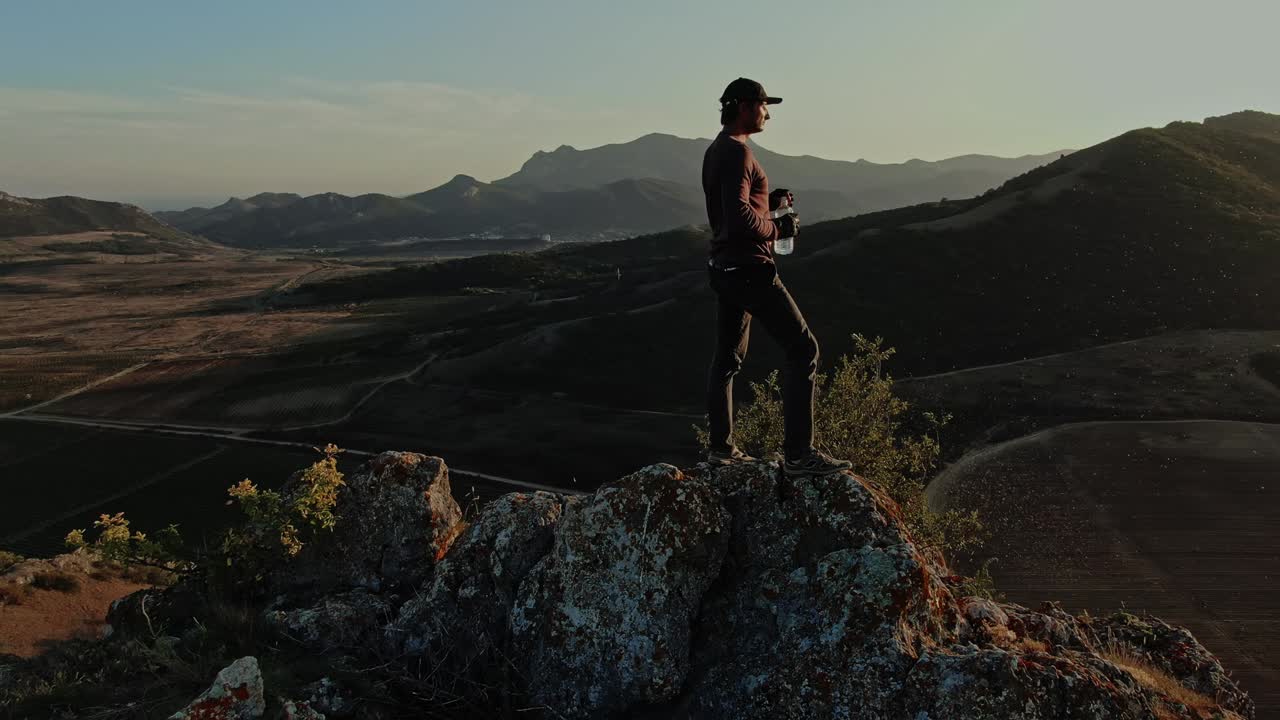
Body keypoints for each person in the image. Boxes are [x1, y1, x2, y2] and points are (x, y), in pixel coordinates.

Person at [702, 77, 852, 478]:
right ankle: (800, 456)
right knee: (804, 351)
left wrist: (766, 203)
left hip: (724, 268)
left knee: (727, 360)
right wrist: (777, 229)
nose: (768, 113)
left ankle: (720, 450)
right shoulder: (737, 154)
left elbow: (734, 207)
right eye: (765, 105)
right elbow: (737, 217)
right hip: (751, 269)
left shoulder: (717, 151)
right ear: (747, 106)